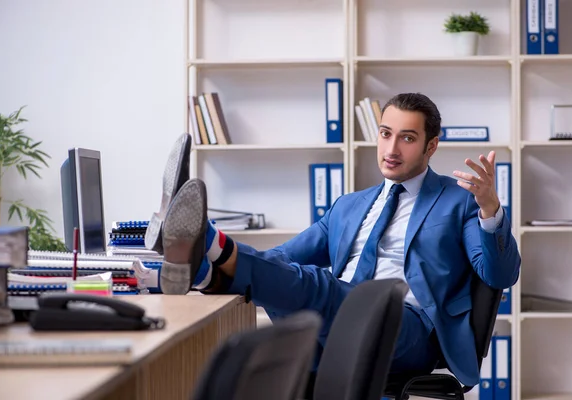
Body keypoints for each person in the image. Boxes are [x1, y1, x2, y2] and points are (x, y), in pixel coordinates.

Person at [152, 92, 521, 388]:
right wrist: (237, 270)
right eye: (385, 133)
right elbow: (280, 258)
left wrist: (490, 206)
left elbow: (500, 274)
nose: (391, 149)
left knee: (320, 287)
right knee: (293, 291)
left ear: (431, 146)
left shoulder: (460, 201)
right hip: (335, 324)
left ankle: (209, 244)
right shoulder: (348, 205)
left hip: (410, 329)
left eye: (407, 138)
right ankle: (204, 269)